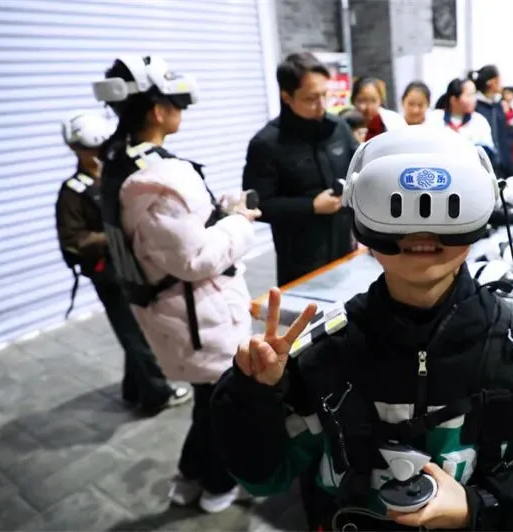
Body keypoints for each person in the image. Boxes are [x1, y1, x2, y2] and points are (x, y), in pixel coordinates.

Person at [211, 126, 513, 531]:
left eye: (449, 209)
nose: (421, 233)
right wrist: (253, 395)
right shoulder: (325, 351)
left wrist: (477, 507)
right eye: (394, 209)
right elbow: (264, 477)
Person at [93, 55, 261, 513]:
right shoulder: (160, 177)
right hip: (198, 315)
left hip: (173, 311)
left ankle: (189, 478)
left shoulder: (121, 163)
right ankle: (217, 487)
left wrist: (218, 211)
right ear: (156, 110)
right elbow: (195, 258)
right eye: (176, 102)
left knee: (208, 402)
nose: (181, 110)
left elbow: (170, 237)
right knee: (223, 405)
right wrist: (240, 222)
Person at [55, 112, 191, 413]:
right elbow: (73, 239)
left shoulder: (118, 175)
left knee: (141, 326)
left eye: (101, 146)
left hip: (136, 266)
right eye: (89, 149)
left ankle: (133, 389)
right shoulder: (73, 192)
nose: (97, 154)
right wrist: (113, 235)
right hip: (109, 274)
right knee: (134, 333)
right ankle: (156, 395)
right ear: (76, 149)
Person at [243, 52, 358, 286]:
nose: (322, 105)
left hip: (345, 251)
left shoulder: (338, 128)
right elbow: (258, 205)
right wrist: (311, 206)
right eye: (311, 98)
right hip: (301, 262)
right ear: (287, 96)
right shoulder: (267, 144)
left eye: (325, 94)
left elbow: (359, 170)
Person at [428, 78, 495, 159]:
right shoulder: (435, 118)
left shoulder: (479, 121)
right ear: (454, 100)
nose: (474, 99)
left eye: (474, 94)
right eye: (469, 95)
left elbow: (487, 152)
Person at [471, 65, 513, 178]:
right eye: (499, 80)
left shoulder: (497, 105)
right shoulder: (476, 107)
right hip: (484, 166)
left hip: (504, 164)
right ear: (492, 83)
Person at [351, 77, 407, 141]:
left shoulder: (395, 121)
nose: (368, 107)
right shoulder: (345, 125)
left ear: (381, 100)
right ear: (353, 101)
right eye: (362, 100)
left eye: (373, 100)